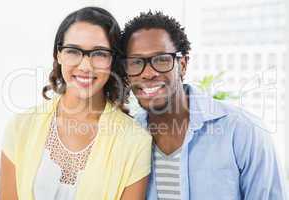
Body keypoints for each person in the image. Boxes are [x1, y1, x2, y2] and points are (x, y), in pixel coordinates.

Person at [120, 11, 288, 200]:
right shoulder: (128, 137)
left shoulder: (243, 130)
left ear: (182, 64)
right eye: (136, 62)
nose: (148, 73)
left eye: (161, 59)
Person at [0, 7, 152, 200]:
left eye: (99, 53)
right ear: (58, 55)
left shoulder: (136, 141)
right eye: (73, 51)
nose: (85, 66)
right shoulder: (20, 126)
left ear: (112, 61)